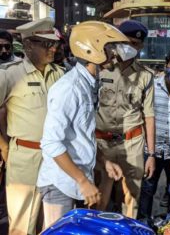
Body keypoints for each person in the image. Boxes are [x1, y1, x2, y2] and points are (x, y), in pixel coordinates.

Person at [37, 21, 127, 228]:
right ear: (92, 48)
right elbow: (51, 143)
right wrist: (83, 181)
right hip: (61, 183)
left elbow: (80, 135)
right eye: (109, 48)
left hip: (75, 180)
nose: (114, 55)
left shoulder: (87, 84)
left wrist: (103, 161)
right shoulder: (69, 88)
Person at [0, 17, 64, 235]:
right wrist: (5, 147)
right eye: (46, 44)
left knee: (52, 223)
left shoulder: (60, 74)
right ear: (28, 45)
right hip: (25, 157)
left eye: (54, 43)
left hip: (56, 158)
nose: (53, 48)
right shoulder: (9, 74)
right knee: (22, 222)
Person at [95, 20, 155, 219]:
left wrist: (151, 154)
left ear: (141, 46)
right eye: (126, 42)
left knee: (131, 198)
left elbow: (149, 115)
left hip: (132, 143)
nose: (130, 48)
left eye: (135, 45)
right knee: (99, 199)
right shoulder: (99, 69)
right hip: (102, 143)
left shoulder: (146, 76)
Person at [138, 47, 170, 219]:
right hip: (153, 149)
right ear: (166, 64)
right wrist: (149, 151)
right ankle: (144, 224)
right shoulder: (153, 85)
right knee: (147, 190)